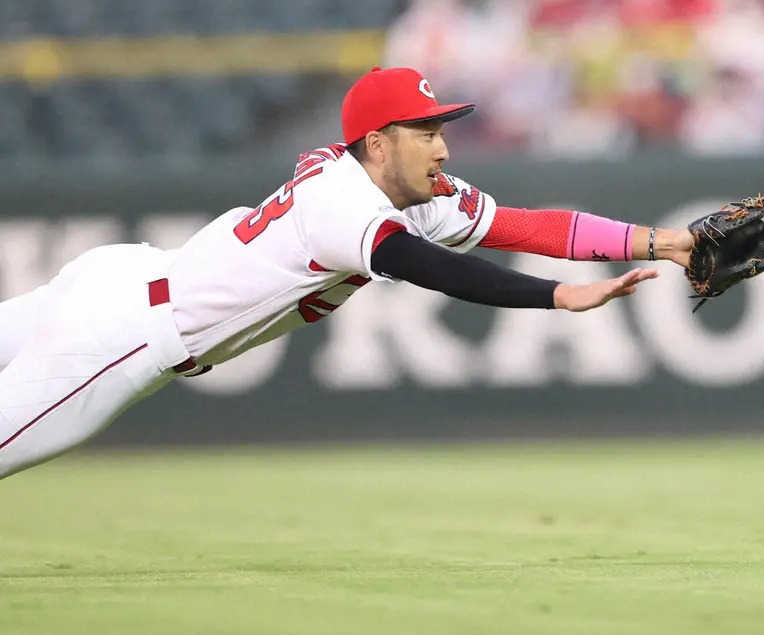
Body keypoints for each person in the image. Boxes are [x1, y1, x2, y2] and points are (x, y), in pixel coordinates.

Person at [0, 66, 694, 481]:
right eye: (425, 132)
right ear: (377, 142)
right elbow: (423, 266)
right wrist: (559, 295)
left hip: (121, 278)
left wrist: (665, 242)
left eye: (441, 127)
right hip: (121, 331)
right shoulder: (342, 202)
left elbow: (533, 225)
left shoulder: (414, 192)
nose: (444, 146)